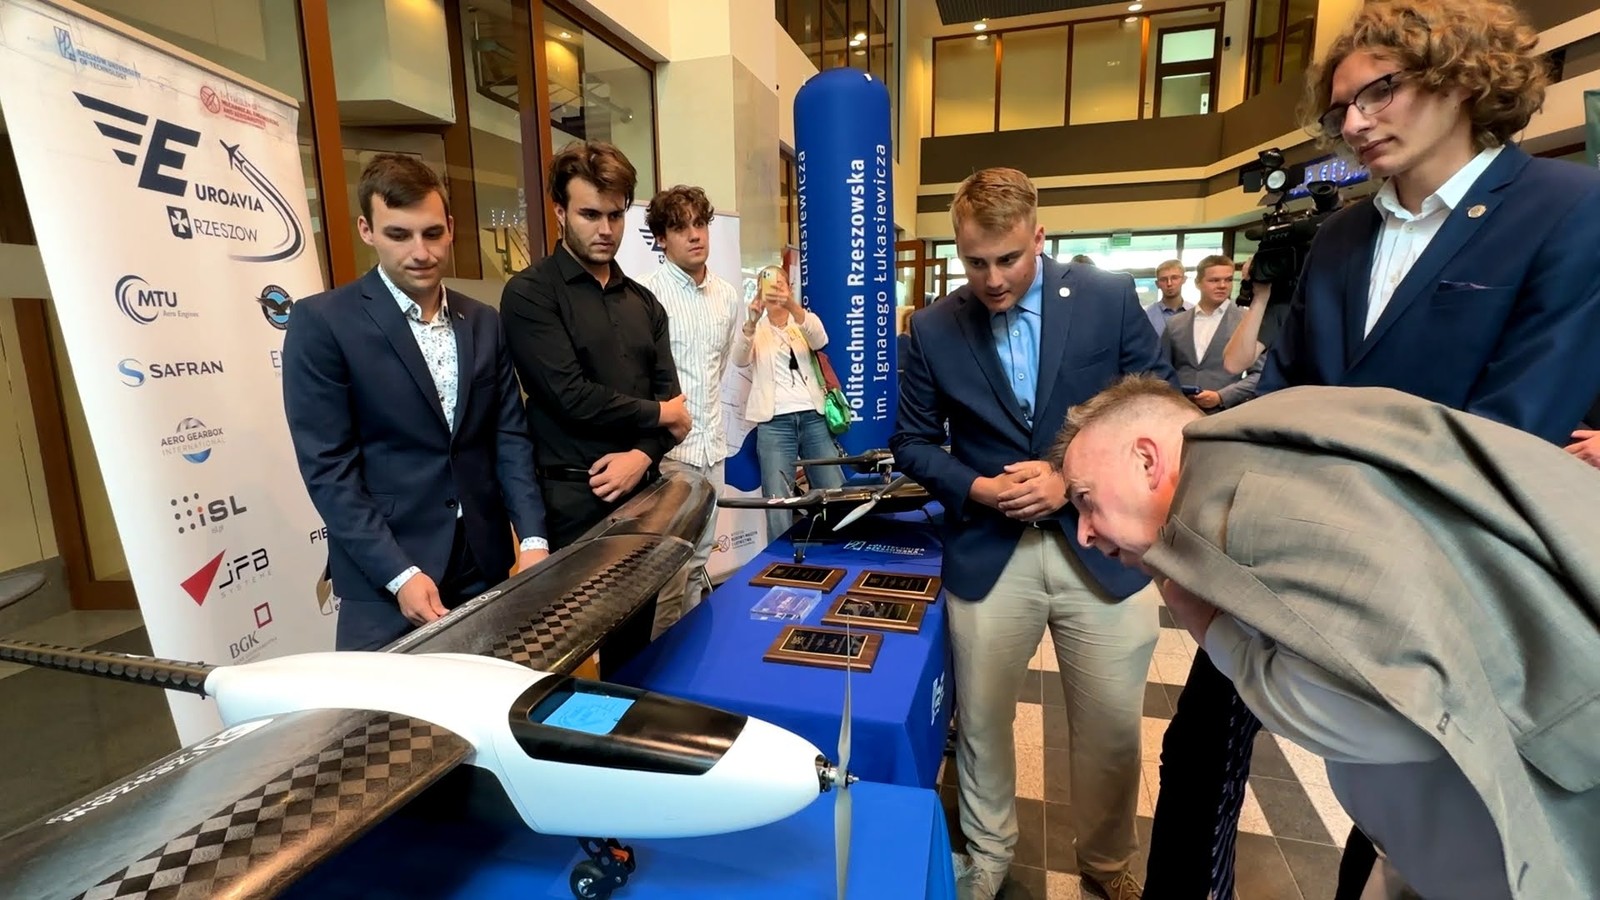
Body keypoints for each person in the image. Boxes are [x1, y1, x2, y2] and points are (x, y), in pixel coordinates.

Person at [1143, 1, 1600, 897]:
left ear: (1461, 78)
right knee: (1200, 746)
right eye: (1340, 109)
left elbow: (1512, 426)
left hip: (1447, 574)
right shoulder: (1343, 234)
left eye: (1379, 92)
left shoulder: (1566, 210)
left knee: (1408, 798)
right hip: (1289, 548)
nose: (1354, 123)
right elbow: (1291, 387)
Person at [1055, 375, 1600, 900]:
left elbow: (1392, 715)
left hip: (1523, 834)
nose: (1083, 531)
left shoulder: (1253, 504)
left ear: (1146, 459)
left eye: (1084, 498)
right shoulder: (1283, 440)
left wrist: (1211, 627)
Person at [891, 166, 1175, 900]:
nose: (992, 279)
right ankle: (987, 859)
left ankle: (1107, 861)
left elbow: (1156, 406)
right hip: (990, 550)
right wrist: (977, 487)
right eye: (975, 262)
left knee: (1111, 729)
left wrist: (1068, 478)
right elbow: (913, 442)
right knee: (982, 726)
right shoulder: (933, 327)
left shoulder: (1108, 298)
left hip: (1102, 549)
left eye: (1009, 259)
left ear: (1039, 237)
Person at [283, 154, 548, 651]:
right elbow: (329, 468)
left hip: (483, 563)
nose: (420, 252)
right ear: (367, 230)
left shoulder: (483, 321)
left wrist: (533, 540)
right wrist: (398, 573)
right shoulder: (323, 323)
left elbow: (509, 437)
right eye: (399, 235)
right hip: (384, 578)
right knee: (382, 703)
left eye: (432, 233)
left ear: (450, 228)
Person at [500, 140, 690, 550]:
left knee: (657, 597)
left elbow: (672, 402)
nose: (605, 230)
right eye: (590, 214)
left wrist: (641, 456)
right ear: (560, 212)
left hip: (647, 492)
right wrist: (661, 414)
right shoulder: (530, 294)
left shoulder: (645, 302)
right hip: (571, 502)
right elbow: (570, 396)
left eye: (615, 215)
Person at [639, 185, 742, 633]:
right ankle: (661, 663)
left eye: (700, 224)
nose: (695, 235)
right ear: (662, 238)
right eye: (681, 228)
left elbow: (717, 367)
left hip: (712, 447)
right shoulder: (646, 296)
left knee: (700, 561)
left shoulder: (727, 296)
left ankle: (691, 652)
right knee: (667, 570)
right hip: (669, 454)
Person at [732, 265, 843, 541]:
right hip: (774, 423)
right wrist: (751, 322)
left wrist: (793, 306)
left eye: (779, 285)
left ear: (789, 288)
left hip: (813, 416)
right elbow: (739, 359)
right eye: (767, 286)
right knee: (777, 498)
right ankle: (778, 556)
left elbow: (821, 339)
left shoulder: (802, 320)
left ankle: (842, 549)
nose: (774, 291)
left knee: (833, 489)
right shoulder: (756, 329)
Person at [1159, 255, 1259, 414]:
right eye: (1214, 280)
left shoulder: (1247, 321)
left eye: (1228, 280)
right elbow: (1162, 369)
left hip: (1224, 413)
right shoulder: (1175, 323)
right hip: (1179, 410)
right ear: (1197, 283)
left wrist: (1222, 396)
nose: (1222, 285)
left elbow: (1259, 374)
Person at [1143, 259, 1192, 337]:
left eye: (1174, 278)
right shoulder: (1146, 315)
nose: (1169, 283)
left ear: (1184, 279)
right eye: (1163, 279)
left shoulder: (1195, 313)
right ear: (1157, 284)